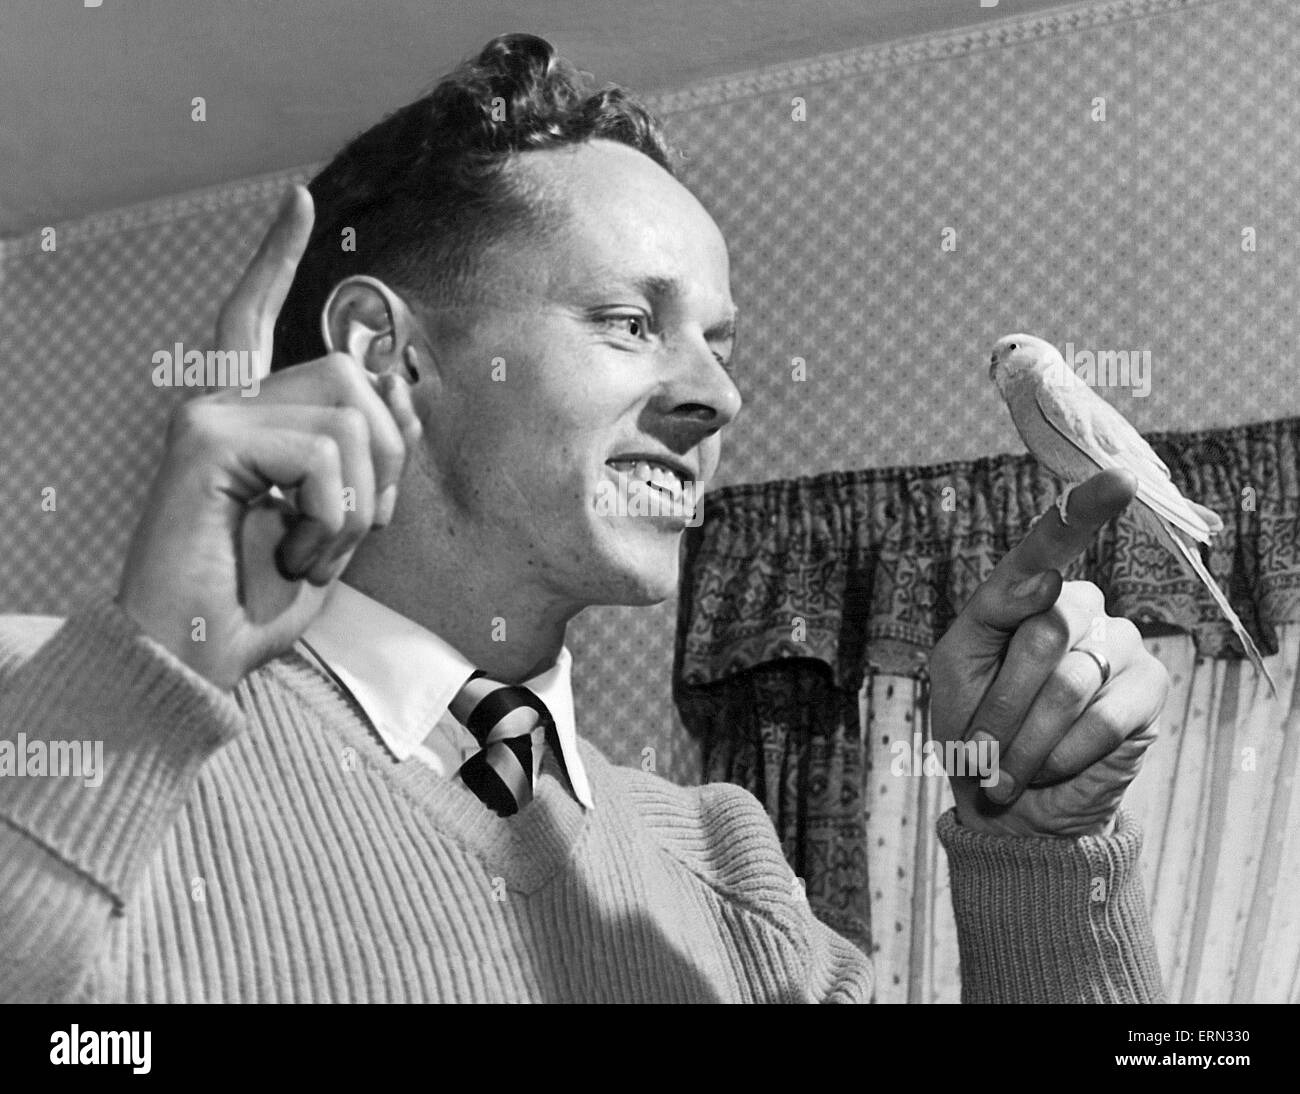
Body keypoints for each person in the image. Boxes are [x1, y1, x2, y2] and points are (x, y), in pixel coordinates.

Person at [0, 33, 1168, 1003]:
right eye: (625, 320)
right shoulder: (58, 724)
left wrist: (1043, 849)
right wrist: (145, 676)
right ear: (384, 353)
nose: (719, 395)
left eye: (719, 345)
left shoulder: (735, 876)